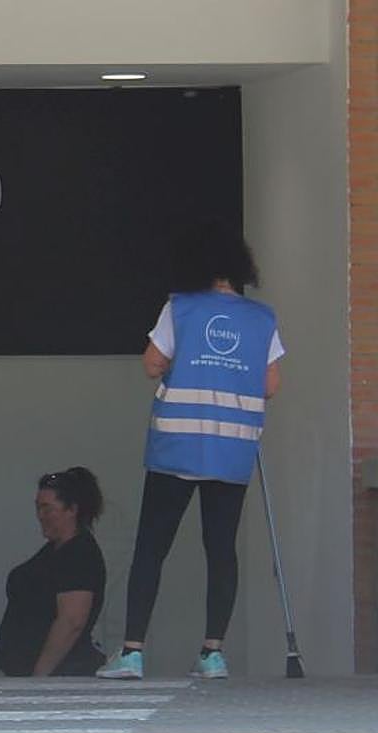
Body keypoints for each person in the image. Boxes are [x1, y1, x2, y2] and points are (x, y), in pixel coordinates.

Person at [98, 221, 284, 681]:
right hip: (232, 452)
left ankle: (133, 652)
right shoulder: (261, 319)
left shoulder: (180, 308)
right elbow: (271, 385)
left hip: (177, 447)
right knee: (220, 550)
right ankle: (213, 654)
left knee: (152, 548)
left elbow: (151, 363)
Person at [0, 468, 107, 677]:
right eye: (38, 508)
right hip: (27, 673)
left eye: (48, 509)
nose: (41, 516)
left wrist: (40, 676)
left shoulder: (79, 554)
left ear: (72, 509)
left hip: (62, 676)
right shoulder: (53, 551)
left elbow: (71, 620)